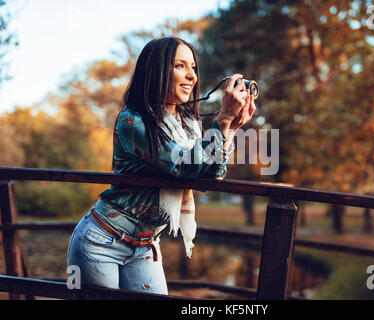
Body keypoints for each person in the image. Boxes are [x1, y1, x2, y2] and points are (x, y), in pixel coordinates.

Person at [66, 36, 256, 295]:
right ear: (156, 71)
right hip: (101, 242)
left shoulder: (186, 124)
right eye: (180, 66)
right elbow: (184, 167)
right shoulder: (132, 122)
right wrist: (221, 121)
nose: (192, 76)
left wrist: (231, 128)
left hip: (144, 245)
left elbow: (210, 175)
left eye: (193, 68)